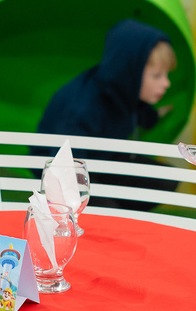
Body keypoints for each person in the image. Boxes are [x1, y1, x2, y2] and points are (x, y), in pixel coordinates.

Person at [38, 19, 175, 208]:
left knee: (166, 179)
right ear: (130, 73)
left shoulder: (127, 93)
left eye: (166, 75)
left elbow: (139, 114)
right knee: (109, 212)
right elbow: (64, 167)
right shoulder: (84, 107)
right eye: (157, 76)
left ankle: (126, 216)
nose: (166, 83)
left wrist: (155, 116)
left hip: (103, 157)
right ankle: (116, 219)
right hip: (65, 167)